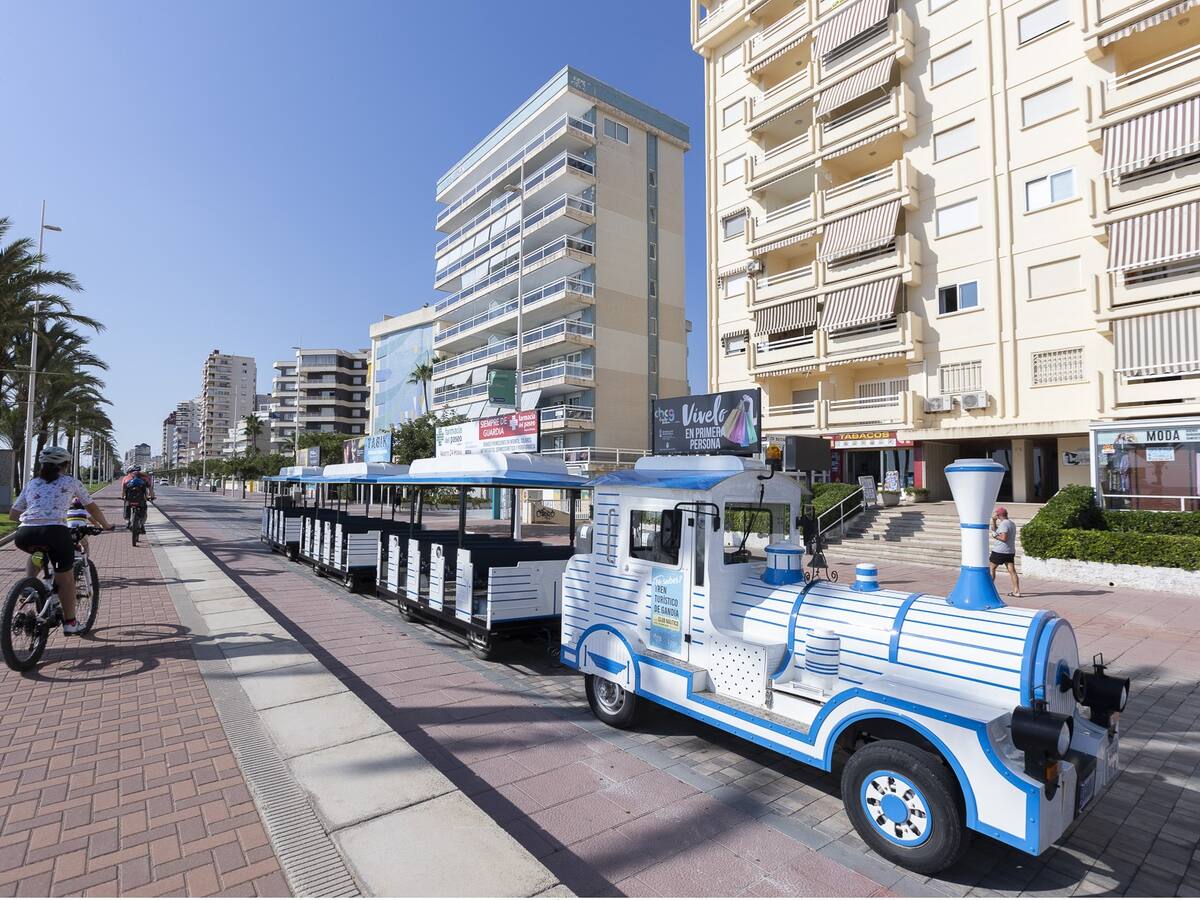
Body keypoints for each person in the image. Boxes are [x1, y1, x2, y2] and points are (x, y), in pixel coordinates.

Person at [9, 446, 114, 634]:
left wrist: (34, 521)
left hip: (24, 534)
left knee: (37, 551)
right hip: (56, 532)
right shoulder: (71, 482)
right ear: (65, 464)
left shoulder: (32, 483)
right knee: (65, 579)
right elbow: (92, 508)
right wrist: (105, 525)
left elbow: (13, 514)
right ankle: (70, 623)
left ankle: (29, 586)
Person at [989, 506, 1021, 598]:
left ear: (999, 515)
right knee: (1012, 571)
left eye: (996, 514)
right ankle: (1016, 591)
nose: (995, 516)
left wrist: (995, 536)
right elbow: (995, 529)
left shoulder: (1004, 524)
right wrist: (994, 521)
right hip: (1010, 551)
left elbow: (1003, 538)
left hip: (999, 551)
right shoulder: (1011, 523)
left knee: (991, 569)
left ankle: (989, 590)